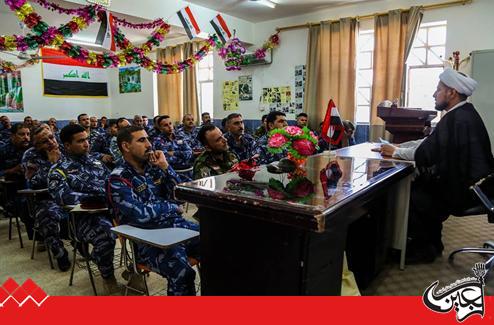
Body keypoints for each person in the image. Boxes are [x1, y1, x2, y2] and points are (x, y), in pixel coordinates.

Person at [380, 68, 494, 263]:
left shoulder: (456, 119)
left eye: (438, 89)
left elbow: (427, 153)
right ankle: (433, 245)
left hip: (471, 192)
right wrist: (399, 147)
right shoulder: (464, 113)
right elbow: (430, 143)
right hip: (480, 186)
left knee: (415, 195)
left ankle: (423, 250)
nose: (434, 94)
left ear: (452, 93)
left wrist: (396, 152)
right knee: (425, 188)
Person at [107, 126, 199, 295]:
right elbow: (141, 215)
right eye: (142, 140)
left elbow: (178, 196)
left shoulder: (154, 167)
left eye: (148, 139)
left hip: (176, 227)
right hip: (147, 239)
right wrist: (170, 207)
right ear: (126, 147)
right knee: (183, 273)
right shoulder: (118, 178)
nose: (149, 144)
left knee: (220, 245)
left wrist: (166, 167)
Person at [48, 124, 117, 292]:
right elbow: (63, 197)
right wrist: (98, 196)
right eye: (80, 141)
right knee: (106, 234)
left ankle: (135, 269)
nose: (87, 144)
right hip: (82, 218)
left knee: (145, 222)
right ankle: (108, 278)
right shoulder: (58, 170)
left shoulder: (97, 163)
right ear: (67, 145)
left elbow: (113, 184)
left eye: (87, 139)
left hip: (111, 210)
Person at [22, 126, 70, 271]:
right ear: (36, 146)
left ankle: (80, 242)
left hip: (69, 194)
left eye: (51, 137)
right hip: (45, 198)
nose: (51, 142)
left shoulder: (64, 147)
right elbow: (35, 182)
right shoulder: (30, 156)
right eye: (44, 141)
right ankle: (60, 253)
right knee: (47, 216)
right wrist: (52, 163)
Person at [0, 123, 32, 237]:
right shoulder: (3, 150)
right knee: (26, 204)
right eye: (22, 134)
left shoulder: (31, 148)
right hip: (11, 189)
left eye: (28, 134)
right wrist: (12, 170)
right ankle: (37, 237)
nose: (26, 137)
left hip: (31, 184)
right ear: (12, 136)